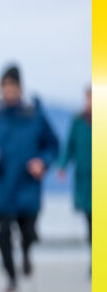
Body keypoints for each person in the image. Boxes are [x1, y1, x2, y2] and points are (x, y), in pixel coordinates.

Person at [0, 64, 60, 292]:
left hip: (27, 185)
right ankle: (11, 278)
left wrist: (43, 162)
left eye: (13, 87)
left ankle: (27, 253)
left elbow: (53, 146)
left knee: (28, 233)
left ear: (20, 88)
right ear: (1, 90)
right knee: (0, 233)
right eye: (5, 88)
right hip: (1, 185)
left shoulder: (35, 116)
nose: (9, 92)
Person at [56, 85, 92, 264]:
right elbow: (69, 146)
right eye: (88, 98)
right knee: (90, 221)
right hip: (84, 180)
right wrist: (62, 165)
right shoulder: (78, 122)